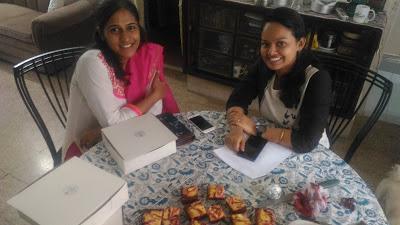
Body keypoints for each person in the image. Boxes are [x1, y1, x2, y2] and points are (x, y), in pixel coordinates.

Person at [62, 0, 179, 161]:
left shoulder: (142, 57)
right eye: (115, 30)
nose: (126, 38)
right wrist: (155, 95)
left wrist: (99, 130)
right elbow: (113, 123)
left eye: (131, 27)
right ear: (102, 33)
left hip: (126, 141)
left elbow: (154, 111)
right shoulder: (92, 63)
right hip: (87, 152)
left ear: (139, 28)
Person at [225, 7, 331, 153]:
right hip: (273, 143)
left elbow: (306, 141)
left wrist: (257, 130)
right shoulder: (263, 66)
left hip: (307, 150)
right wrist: (236, 127)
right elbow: (237, 99)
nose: (270, 52)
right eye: (265, 44)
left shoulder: (318, 79)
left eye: (281, 43)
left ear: (300, 44)